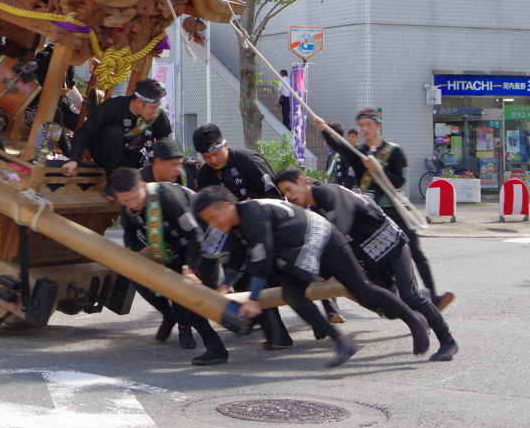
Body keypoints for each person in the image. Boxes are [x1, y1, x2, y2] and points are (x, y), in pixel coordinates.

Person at [194, 186, 431, 368]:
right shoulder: (235, 225)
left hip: (324, 238)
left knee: (362, 289)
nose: (213, 225)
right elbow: (236, 257)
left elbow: (261, 258)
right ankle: (342, 342)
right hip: (301, 249)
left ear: (226, 206)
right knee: (293, 294)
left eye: (213, 218)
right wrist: (225, 285)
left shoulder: (253, 214)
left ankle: (415, 320)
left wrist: (254, 298)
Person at [274, 166, 458, 362]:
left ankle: (447, 341)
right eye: (284, 193)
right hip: (371, 258)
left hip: (391, 244)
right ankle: (424, 299)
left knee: (410, 296)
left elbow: (339, 232)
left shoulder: (330, 193)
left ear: (302, 181)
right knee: (387, 308)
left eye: (289, 189)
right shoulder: (318, 209)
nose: (289, 196)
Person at [317, 110, 454, 311]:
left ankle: (433, 295)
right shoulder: (360, 152)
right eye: (361, 125)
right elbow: (342, 148)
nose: (364, 129)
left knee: (415, 252)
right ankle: (397, 300)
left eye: (368, 124)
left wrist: (379, 169)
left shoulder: (394, 151)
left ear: (378, 126)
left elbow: (399, 180)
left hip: (395, 210)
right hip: (372, 216)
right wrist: (324, 130)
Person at [111, 168, 229, 365]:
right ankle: (213, 346)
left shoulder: (167, 197)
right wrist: (135, 253)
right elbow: (130, 234)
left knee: (191, 296)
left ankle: (226, 329)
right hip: (170, 250)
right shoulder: (128, 206)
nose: (132, 204)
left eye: (134, 198)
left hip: (202, 244)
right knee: (139, 277)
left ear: (143, 186)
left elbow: (195, 235)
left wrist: (189, 268)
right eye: (125, 201)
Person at [191, 123, 294, 349]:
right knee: (226, 266)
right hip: (234, 231)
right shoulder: (206, 174)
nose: (213, 160)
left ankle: (278, 334)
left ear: (225, 144)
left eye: (216, 154)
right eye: (207, 157)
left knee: (256, 270)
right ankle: (254, 321)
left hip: (268, 226)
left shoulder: (249, 160)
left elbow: (274, 197)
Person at [61, 79, 172, 178]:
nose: (155, 112)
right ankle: (113, 180)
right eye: (153, 107)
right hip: (106, 155)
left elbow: (166, 141)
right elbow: (85, 132)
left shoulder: (157, 115)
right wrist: (74, 160)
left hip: (135, 157)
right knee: (114, 132)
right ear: (138, 102)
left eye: (157, 107)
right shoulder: (112, 107)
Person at [324, 121, 357, 191]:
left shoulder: (348, 153)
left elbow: (351, 175)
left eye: (329, 137)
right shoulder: (331, 156)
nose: (327, 140)